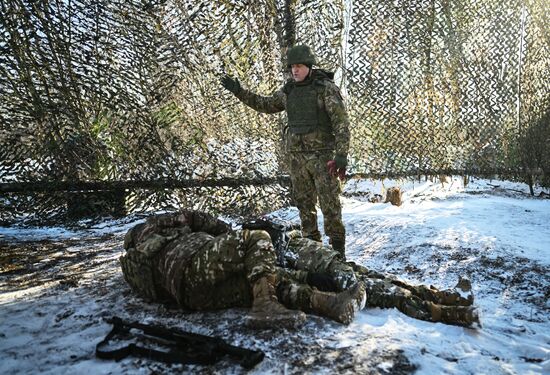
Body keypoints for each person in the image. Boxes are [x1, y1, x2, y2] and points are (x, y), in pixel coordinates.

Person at [121, 210, 480, 329]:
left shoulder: (146, 260)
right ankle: (436, 308)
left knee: (356, 273)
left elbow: (213, 227)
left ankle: (434, 298)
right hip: (285, 262)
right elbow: (211, 225)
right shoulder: (159, 234)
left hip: (197, 292)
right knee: (358, 278)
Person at [120, 210, 366, 330]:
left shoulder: (141, 261)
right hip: (196, 265)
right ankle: (265, 307)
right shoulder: (156, 227)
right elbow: (194, 217)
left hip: (192, 296)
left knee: (262, 283)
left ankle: (328, 303)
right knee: (256, 238)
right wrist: (230, 234)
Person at [221, 45, 350, 259]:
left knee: (331, 207)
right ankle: (313, 253)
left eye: (299, 66)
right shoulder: (289, 90)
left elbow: (341, 123)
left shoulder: (325, 89)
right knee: (304, 207)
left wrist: (341, 155)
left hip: (323, 158)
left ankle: (339, 254)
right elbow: (266, 104)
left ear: (308, 66)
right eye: (292, 67)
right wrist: (239, 91)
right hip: (298, 160)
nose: (295, 71)